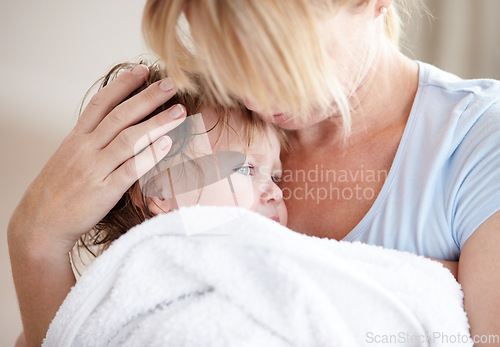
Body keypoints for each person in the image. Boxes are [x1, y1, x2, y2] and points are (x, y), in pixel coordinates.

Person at [8, 0, 500, 345]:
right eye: (231, 60)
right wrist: (34, 240)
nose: (258, 100)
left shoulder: (479, 142)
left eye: (281, 59)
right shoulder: (207, 128)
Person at [76, 61, 287, 259]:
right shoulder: (146, 273)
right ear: (161, 191)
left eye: (275, 178)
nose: (276, 194)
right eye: (246, 169)